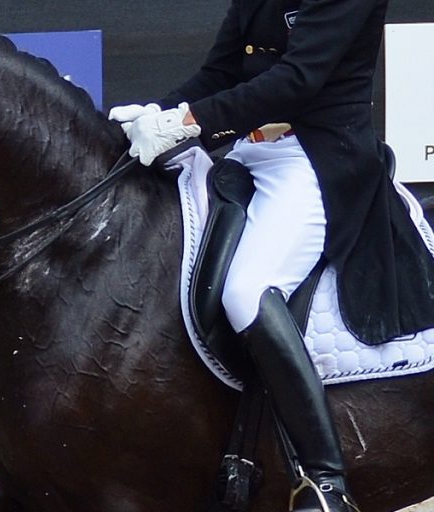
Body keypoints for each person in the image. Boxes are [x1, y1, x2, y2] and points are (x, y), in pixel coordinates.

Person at [110, 1, 434, 511]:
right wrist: (159, 113)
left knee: (246, 291)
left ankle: (325, 482)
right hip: (247, 150)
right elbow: (221, 69)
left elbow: (299, 79)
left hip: (318, 158)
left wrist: (190, 121)